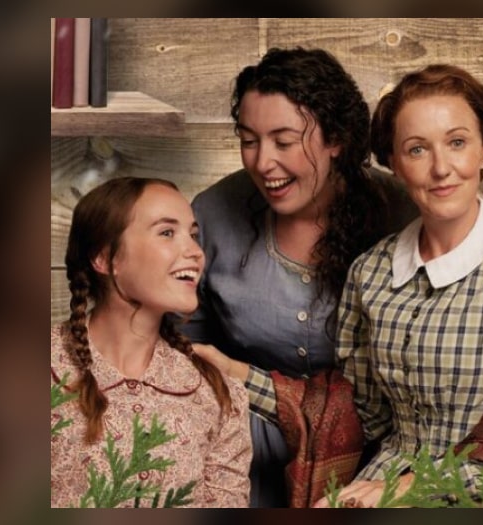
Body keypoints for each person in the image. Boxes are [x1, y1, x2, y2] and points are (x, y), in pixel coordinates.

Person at [308, 63, 483, 507]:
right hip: (382, 479)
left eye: (457, 142)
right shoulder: (369, 271)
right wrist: (232, 373)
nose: (441, 168)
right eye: (417, 150)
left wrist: (403, 490)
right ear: (393, 163)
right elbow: (360, 413)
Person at [181, 47, 417, 507]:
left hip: (376, 459)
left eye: (284, 141)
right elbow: (182, 346)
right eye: (249, 139)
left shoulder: (404, 215)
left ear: (337, 139)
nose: (263, 162)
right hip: (243, 453)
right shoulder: (211, 214)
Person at [50, 177, 251, 508]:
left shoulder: (218, 393)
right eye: (167, 233)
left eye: (194, 235)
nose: (195, 252)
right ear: (104, 258)